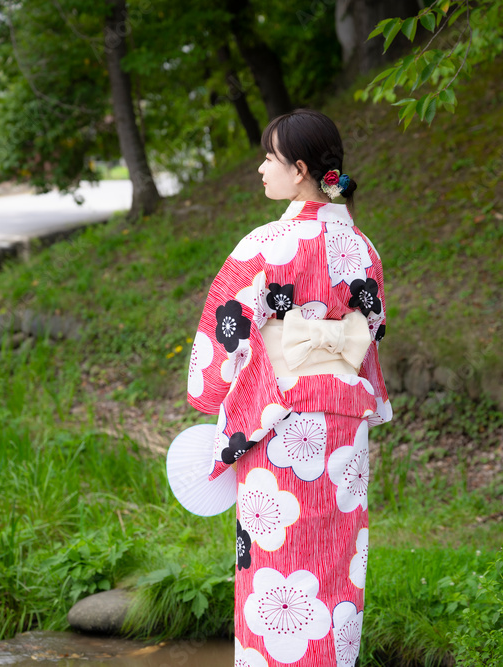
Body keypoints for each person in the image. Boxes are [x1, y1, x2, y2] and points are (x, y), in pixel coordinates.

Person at [186, 107, 392, 666]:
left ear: (299, 169)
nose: (260, 169)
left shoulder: (266, 245)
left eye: (269, 159)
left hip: (279, 421)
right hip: (344, 423)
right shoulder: (363, 249)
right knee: (336, 560)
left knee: (276, 568)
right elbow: (368, 330)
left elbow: (225, 328)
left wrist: (210, 396)